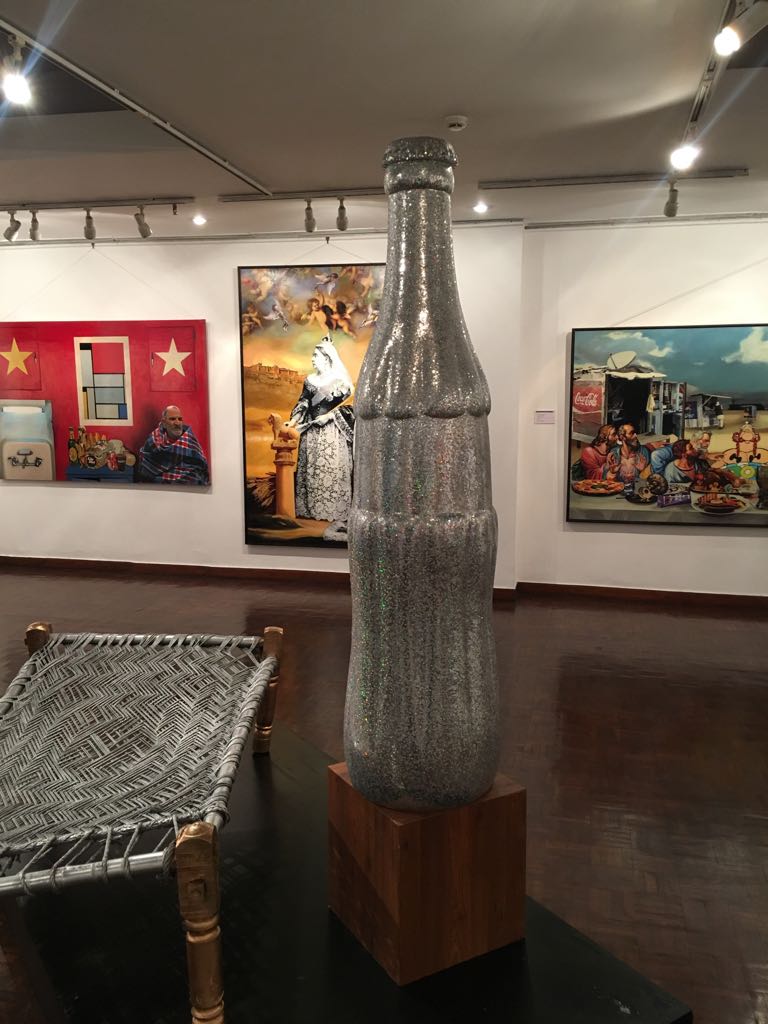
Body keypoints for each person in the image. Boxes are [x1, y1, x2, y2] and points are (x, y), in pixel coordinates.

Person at [289, 338, 354, 524]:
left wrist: (330, 416)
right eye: (312, 355)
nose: (312, 358)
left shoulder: (340, 382)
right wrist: (293, 421)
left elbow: (350, 407)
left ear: (326, 358)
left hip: (331, 432)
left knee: (331, 470)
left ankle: (333, 511)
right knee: (312, 470)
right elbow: (304, 402)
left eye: (316, 355)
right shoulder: (309, 380)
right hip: (311, 432)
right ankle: (310, 511)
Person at [138, 405, 209, 485]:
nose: (177, 423)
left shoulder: (191, 441)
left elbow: (201, 467)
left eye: (180, 419)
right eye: (172, 419)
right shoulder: (153, 441)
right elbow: (146, 467)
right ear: (164, 423)